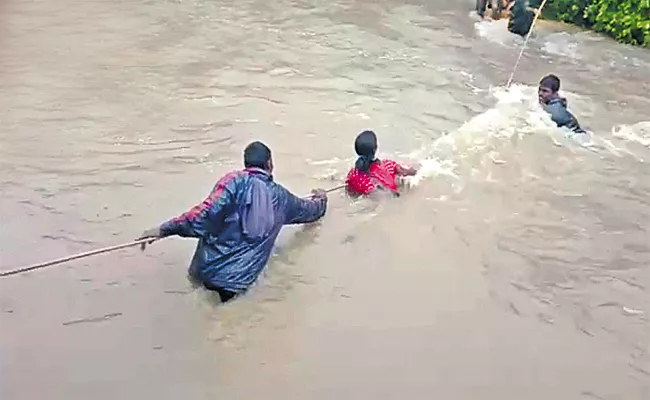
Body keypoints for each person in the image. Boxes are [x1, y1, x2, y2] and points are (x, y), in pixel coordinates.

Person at [138, 141, 328, 303]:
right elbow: (310, 211)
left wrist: (163, 230)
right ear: (270, 164)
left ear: (246, 163)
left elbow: (201, 216)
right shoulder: (283, 199)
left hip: (201, 272)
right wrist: (321, 199)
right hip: (234, 286)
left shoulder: (232, 182)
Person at [345, 130, 418, 197]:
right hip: (391, 195)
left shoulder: (353, 175)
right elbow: (410, 172)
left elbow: (351, 193)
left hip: (374, 197)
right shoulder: (388, 165)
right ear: (375, 149)